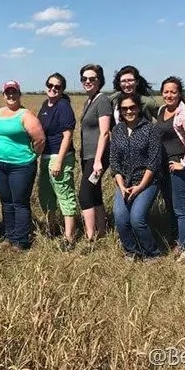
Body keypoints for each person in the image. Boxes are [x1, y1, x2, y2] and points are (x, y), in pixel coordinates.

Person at [0, 80, 45, 251]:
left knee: (20, 202)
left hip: (21, 166)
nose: (11, 95)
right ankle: (9, 236)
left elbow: (40, 139)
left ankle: (21, 241)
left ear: (19, 94)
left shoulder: (25, 115)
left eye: (14, 92)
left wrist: (32, 156)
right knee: (6, 202)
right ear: (4, 95)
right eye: (8, 93)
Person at [110, 93, 163, 260]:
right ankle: (132, 251)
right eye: (124, 109)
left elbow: (154, 161)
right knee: (120, 218)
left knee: (137, 219)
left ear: (139, 108)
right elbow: (114, 161)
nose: (129, 111)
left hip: (147, 182)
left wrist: (140, 187)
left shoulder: (150, 129)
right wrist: (122, 185)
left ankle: (152, 253)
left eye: (132, 107)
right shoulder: (117, 129)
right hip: (124, 181)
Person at [155, 77, 185, 260]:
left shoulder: (183, 113)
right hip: (163, 166)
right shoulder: (162, 110)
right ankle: (175, 241)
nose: (169, 95)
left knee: (180, 208)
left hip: (177, 167)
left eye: (173, 91)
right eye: (166, 91)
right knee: (170, 206)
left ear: (179, 93)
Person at [37, 73, 78, 248]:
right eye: (50, 85)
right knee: (46, 195)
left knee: (64, 195)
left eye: (57, 87)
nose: (53, 89)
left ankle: (69, 237)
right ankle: (51, 228)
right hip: (45, 156)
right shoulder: (45, 104)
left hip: (60, 156)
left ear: (62, 90)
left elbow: (68, 135)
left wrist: (59, 160)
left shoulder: (63, 106)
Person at [78, 64, 112, 241]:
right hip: (87, 156)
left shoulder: (103, 101)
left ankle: (90, 237)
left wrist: (98, 160)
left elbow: (105, 132)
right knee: (94, 192)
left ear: (100, 80)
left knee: (84, 194)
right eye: (84, 79)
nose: (88, 81)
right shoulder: (89, 101)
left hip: (97, 156)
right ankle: (102, 230)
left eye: (92, 78)